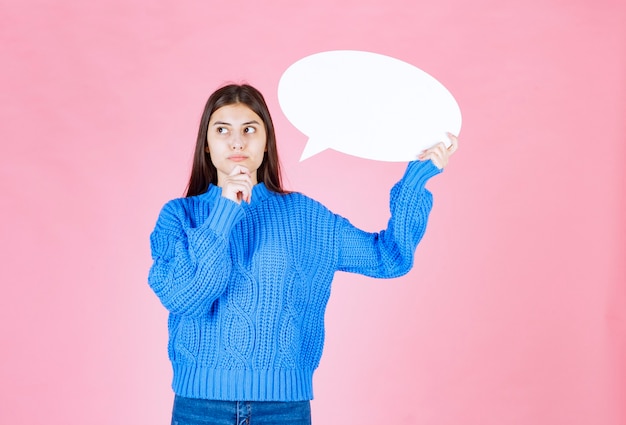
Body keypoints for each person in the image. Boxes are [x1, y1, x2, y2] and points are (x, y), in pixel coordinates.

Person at [148, 83, 458, 425]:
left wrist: (416, 180)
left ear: (267, 143)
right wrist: (223, 211)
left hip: (284, 409)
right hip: (199, 408)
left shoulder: (306, 216)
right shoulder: (179, 215)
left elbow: (389, 257)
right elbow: (185, 298)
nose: (237, 141)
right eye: (223, 130)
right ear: (206, 145)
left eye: (250, 129)